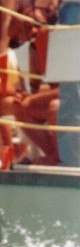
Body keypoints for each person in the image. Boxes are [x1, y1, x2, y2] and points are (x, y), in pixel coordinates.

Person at [56, 0, 80, 166]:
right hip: (70, 9)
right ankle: (72, 161)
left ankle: (73, 162)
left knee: (71, 94)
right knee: (70, 93)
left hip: (73, 10)